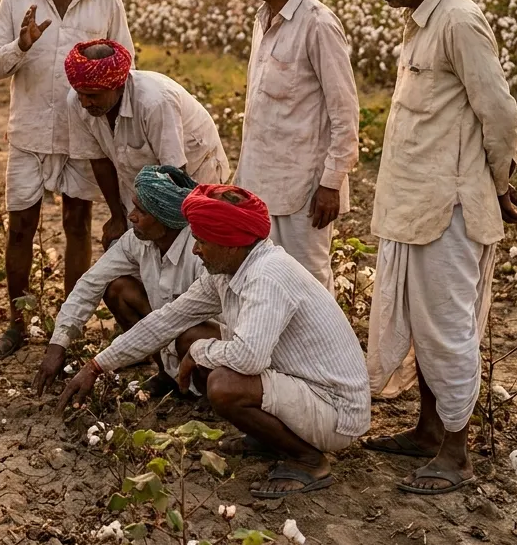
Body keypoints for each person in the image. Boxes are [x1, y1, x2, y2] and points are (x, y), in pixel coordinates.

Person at [57, 184, 370, 499]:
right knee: (210, 359)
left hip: (337, 412)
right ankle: (269, 439)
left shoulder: (266, 277)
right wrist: (98, 365)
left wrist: (199, 351)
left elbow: (249, 359)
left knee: (223, 384)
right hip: (307, 389)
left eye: (202, 241)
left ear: (231, 245)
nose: (195, 249)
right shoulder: (229, 272)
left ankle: (309, 461)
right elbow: (166, 320)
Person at [357, 0, 517, 495]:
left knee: (448, 329)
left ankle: (456, 453)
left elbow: (498, 114)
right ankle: (428, 431)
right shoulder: (419, 25)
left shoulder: (458, 21)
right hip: (411, 203)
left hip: (447, 208)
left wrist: (500, 187)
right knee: (422, 323)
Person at [0, 0, 135, 359]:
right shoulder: (16, 0)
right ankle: (16, 324)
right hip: (29, 133)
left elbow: (124, 63)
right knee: (21, 227)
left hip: (82, 135)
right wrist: (22, 45)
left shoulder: (104, 1)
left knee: (76, 224)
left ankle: (66, 328)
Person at [233, 0, 359, 291]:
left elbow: (345, 112)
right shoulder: (263, 21)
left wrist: (331, 184)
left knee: (309, 285)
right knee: (263, 284)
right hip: (260, 184)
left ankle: (327, 350)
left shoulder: (318, 25)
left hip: (303, 192)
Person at [33, 165, 203, 397]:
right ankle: (167, 373)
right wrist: (58, 344)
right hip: (165, 329)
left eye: (141, 211)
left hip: (203, 343)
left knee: (190, 337)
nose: (131, 216)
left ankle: (201, 393)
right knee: (117, 288)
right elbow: (91, 283)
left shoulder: (199, 252)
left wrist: (97, 365)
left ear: (165, 219)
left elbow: (172, 322)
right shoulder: (138, 240)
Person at [66, 39, 228, 247]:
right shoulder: (76, 100)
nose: (85, 102)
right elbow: (100, 161)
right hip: (139, 178)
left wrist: (161, 225)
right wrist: (117, 217)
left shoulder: (155, 102)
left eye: (93, 96)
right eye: (81, 94)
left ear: (118, 85)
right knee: (129, 246)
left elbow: (175, 173)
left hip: (193, 173)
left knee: (185, 246)